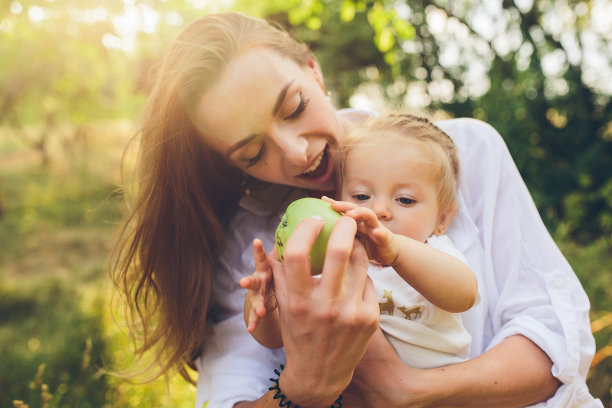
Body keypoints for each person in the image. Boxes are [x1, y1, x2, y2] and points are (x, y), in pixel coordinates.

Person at [110, 10, 602, 408]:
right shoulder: (251, 239)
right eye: (253, 152)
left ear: (313, 69)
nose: (296, 152)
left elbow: (556, 347)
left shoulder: (457, 155)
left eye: (295, 106)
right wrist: (298, 384)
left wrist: (408, 392)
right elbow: (233, 391)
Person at [242, 112, 480, 370]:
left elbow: (464, 296)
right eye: (361, 196)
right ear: (337, 199)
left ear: (442, 219)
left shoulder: (435, 252)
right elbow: (275, 338)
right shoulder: (330, 261)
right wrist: (267, 300)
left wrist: (396, 252)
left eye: (405, 200)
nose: (378, 209)